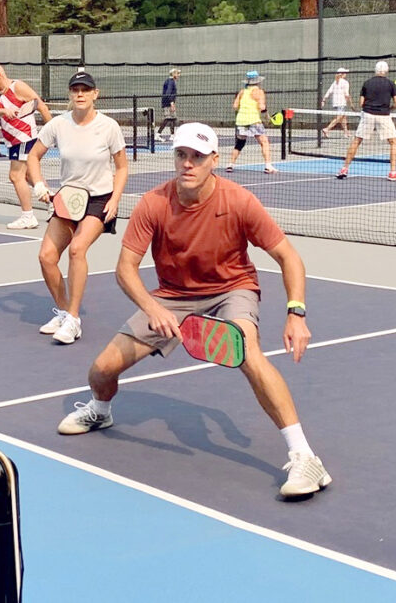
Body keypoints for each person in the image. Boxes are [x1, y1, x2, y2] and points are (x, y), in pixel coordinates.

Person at [56, 121, 330, 499]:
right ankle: (101, 411)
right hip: (171, 295)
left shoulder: (238, 201)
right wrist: (152, 307)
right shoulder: (154, 203)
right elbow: (125, 270)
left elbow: (288, 256)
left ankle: (304, 456)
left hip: (232, 289)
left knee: (248, 354)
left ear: (213, 160)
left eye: (197, 157)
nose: (188, 164)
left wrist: (296, 313)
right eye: (182, 155)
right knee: (101, 370)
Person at [26, 71, 129, 345]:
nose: (80, 94)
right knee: (46, 256)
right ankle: (62, 310)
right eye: (75, 90)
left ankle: (74, 319)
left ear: (96, 94)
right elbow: (33, 157)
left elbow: (121, 167)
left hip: (98, 199)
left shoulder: (109, 127)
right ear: (70, 95)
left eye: (86, 90)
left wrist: (115, 200)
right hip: (67, 199)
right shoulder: (58, 125)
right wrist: (39, 185)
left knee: (77, 249)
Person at [0, 62, 53, 230]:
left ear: (0, 75)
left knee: (15, 176)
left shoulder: (18, 87)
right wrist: (4, 111)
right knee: (29, 177)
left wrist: (54, 130)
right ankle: (55, 203)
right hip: (12, 140)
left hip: (26, 137)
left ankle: (28, 216)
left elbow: (41, 106)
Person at [337, 61, 396, 181]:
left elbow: (361, 103)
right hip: (383, 115)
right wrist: (390, 108)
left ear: (375, 70)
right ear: (386, 71)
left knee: (357, 140)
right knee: (394, 142)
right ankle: (393, 172)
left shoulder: (367, 83)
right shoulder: (390, 84)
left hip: (367, 114)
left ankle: (344, 169)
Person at [227, 70, 276, 174]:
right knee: (264, 142)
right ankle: (268, 166)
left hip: (241, 121)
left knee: (239, 144)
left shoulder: (242, 92)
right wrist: (267, 116)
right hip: (254, 120)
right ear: (257, 81)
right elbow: (262, 107)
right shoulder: (259, 92)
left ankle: (230, 165)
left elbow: (235, 107)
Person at [320, 67, 353, 138]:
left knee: (343, 117)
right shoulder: (345, 82)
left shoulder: (335, 82)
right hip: (341, 103)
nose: (346, 74)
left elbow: (329, 91)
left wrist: (324, 100)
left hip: (336, 103)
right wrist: (351, 104)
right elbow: (347, 94)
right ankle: (327, 129)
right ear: (343, 74)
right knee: (339, 117)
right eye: (345, 73)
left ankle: (346, 133)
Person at [156, 68, 180, 141]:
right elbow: (168, 93)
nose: (178, 75)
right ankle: (157, 134)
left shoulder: (171, 81)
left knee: (173, 119)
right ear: (173, 74)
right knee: (167, 118)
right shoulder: (170, 82)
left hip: (169, 103)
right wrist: (171, 103)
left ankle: (172, 135)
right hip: (167, 103)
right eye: (177, 73)